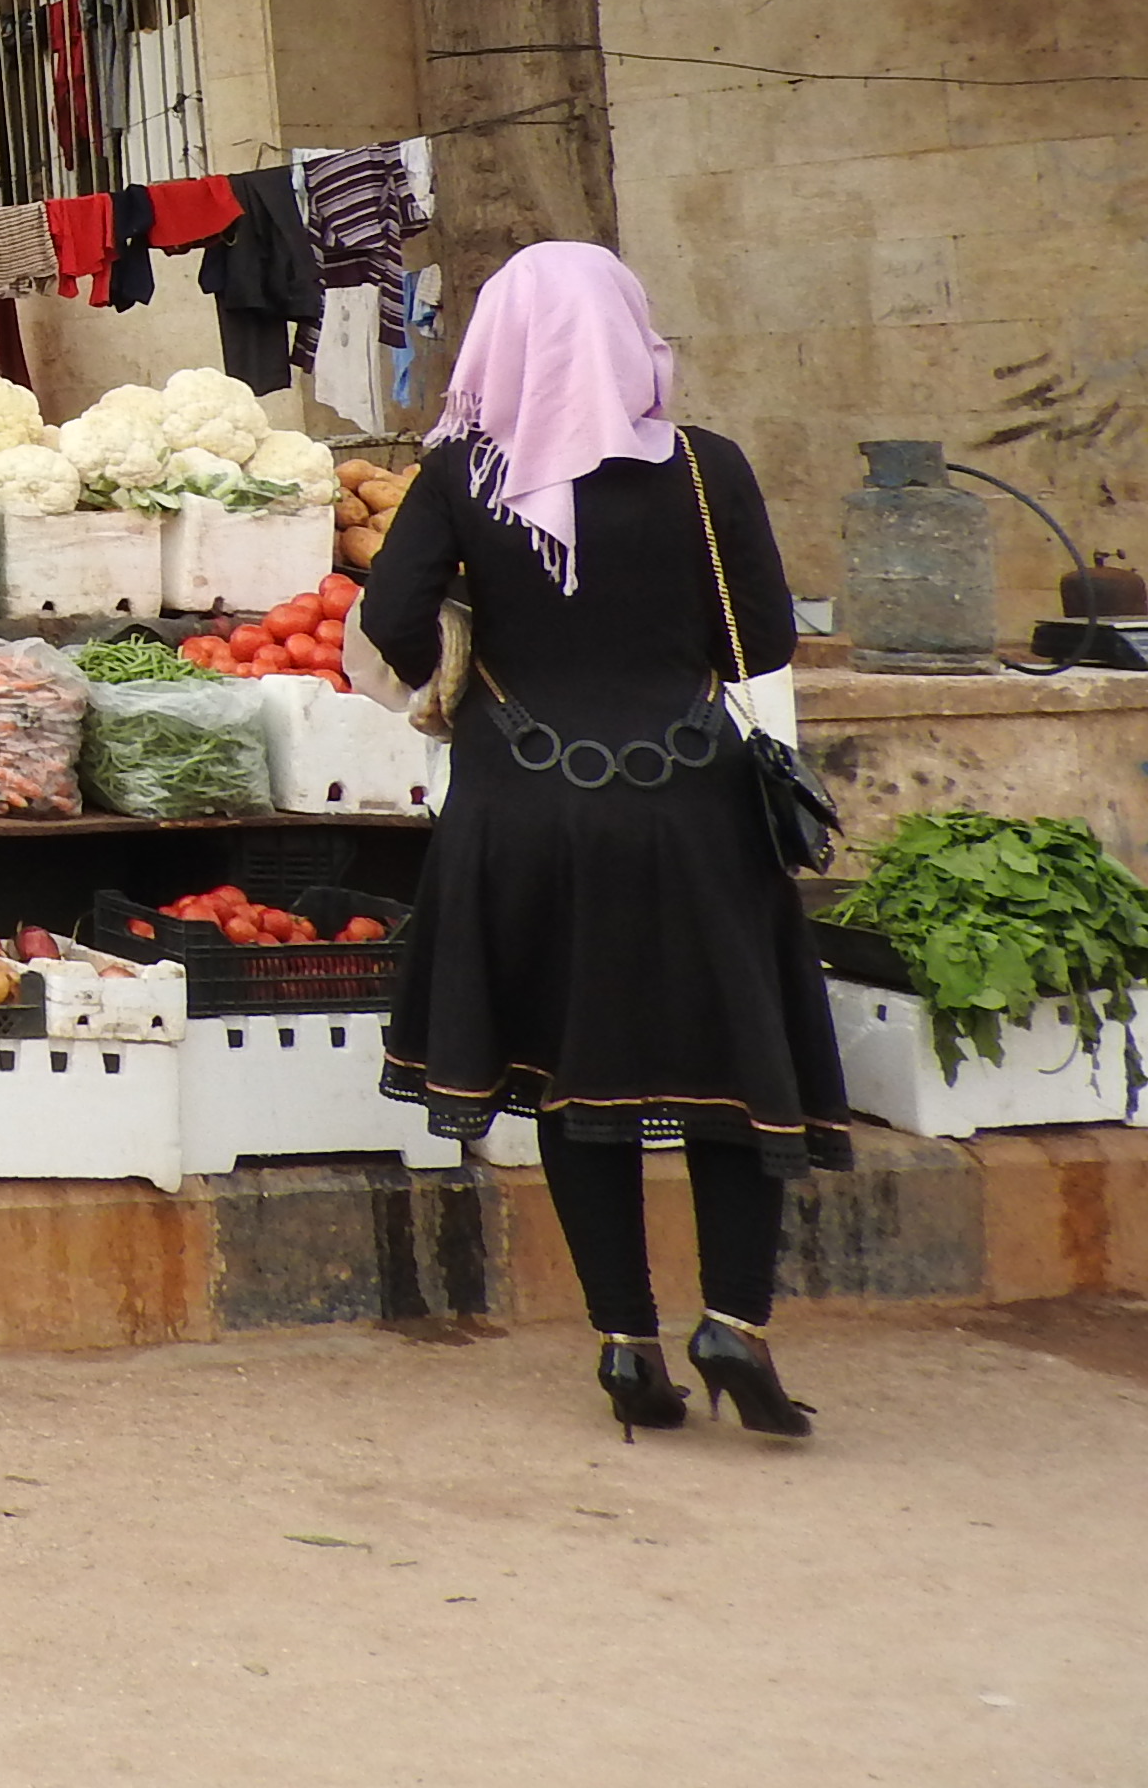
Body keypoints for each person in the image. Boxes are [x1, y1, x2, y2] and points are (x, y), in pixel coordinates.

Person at [361, 239, 845, 1443]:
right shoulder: (705, 467)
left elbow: (388, 616)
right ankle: (736, 1324)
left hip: (526, 813)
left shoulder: (466, 477)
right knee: (736, 1070)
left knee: (581, 1080)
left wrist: (465, 680)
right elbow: (762, 646)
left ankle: (625, 1342)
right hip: (693, 810)